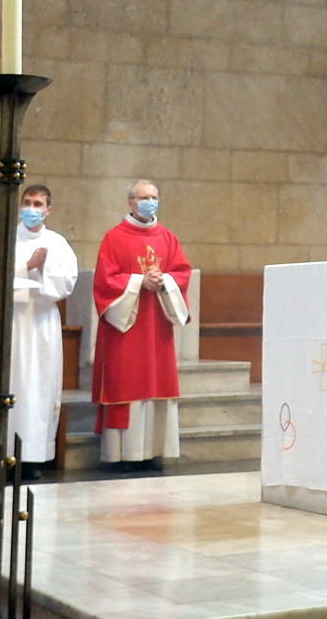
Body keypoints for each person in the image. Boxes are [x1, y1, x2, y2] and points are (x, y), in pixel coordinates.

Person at [89, 179, 192, 468]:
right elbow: (105, 281)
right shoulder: (114, 238)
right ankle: (124, 455)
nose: (150, 202)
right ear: (131, 202)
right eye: (144, 197)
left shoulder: (168, 238)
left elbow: (182, 273)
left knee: (157, 384)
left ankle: (153, 452)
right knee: (126, 383)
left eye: (154, 197)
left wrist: (164, 280)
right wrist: (139, 281)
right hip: (127, 329)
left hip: (157, 326)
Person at [7, 184, 78, 473]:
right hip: (14, 321)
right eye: (27, 202)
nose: (31, 209)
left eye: (38, 204)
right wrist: (27, 265)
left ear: (48, 210)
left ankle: (34, 455)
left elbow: (67, 282)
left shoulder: (57, 243)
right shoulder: (5, 238)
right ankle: (7, 453)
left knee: (40, 386)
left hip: (43, 320)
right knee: (14, 383)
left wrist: (44, 269)